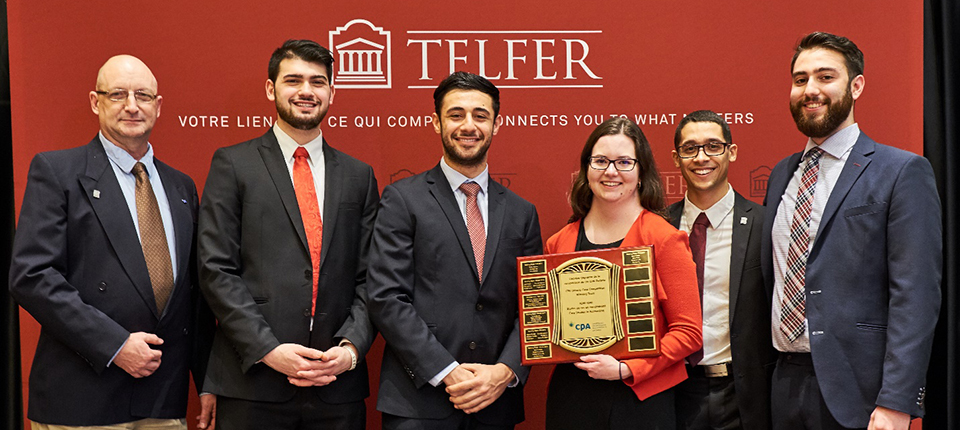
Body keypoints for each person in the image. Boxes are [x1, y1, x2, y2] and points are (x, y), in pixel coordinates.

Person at [8, 55, 215, 429]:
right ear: (95, 101)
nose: (132, 106)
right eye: (118, 94)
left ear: (159, 105)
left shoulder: (181, 186)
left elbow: (194, 297)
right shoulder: (58, 172)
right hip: (83, 399)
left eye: (143, 96)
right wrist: (114, 344)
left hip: (161, 402)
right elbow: (32, 275)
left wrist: (207, 383)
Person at [761, 32, 941, 430]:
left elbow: (916, 296)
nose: (811, 90)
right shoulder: (780, 175)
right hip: (784, 384)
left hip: (862, 394)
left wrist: (897, 400)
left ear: (856, 85)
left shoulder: (901, 171)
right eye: (800, 79)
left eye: (826, 77)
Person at [197, 39, 379, 430]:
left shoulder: (359, 176)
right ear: (270, 89)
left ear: (332, 91)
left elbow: (372, 277)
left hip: (337, 385)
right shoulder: (232, 164)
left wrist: (350, 349)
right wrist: (268, 349)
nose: (306, 92)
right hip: (253, 382)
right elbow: (216, 270)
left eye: (317, 81)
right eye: (293, 80)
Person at [366, 71, 542, 430]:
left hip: (496, 401)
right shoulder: (403, 199)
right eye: (456, 114)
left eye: (480, 115)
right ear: (436, 123)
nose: (468, 125)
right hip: (419, 404)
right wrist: (447, 372)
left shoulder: (522, 212)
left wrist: (504, 371)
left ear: (496, 125)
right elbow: (386, 297)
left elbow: (535, 304)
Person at [544, 117, 702, 430]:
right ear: (586, 169)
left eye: (624, 162)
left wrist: (627, 369)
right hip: (573, 395)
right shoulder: (559, 242)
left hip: (640, 399)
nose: (611, 171)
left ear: (641, 172)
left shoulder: (664, 238)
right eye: (600, 161)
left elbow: (689, 332)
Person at [668, 110, 775, 430]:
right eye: (690, 149)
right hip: (674, 392)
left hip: (743, 396)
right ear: (676, 159)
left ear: (732, 152)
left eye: (713, 146)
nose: (702, 157)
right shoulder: (657, 226)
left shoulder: (764, 223)